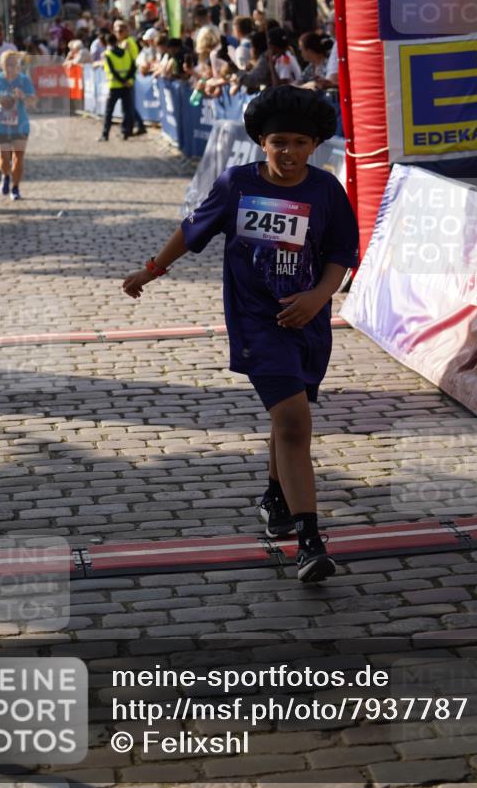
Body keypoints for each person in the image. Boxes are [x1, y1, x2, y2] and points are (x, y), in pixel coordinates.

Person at [122, 86, 358, 583]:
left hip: (308, 325)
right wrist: (151, 270)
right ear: (260, 142)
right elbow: (192, 231)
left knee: (289, 419)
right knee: (293, 421)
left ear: (315, 145)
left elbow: (341, 253)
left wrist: (319, 297)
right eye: (278, 142)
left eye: (299, 142)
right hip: (257, 324)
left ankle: (275, 499)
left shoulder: (326, 190)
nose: (288, 152)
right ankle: (309, 542)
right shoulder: (236, 185)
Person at [0, 50, 37, 200]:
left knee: (18, 158)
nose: (10, 67)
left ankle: (15, 188)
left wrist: (23, 96)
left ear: (18, 66)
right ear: (2, 65)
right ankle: (5, 175)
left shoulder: (24, 80)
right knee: (3, 159)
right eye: (7, 64)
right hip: (0, 125)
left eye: (13, 64)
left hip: (20, 125)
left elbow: (33, 101)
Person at [99, 32, 136, 141]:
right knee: (126, 110)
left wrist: (121, 81)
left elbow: (112, 71)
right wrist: (127, 80)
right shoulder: (126, 53)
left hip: (114, 86)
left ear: (107, 42)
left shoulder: (108, 54)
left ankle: (105, 134)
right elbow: (133, 68)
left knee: (109, 111)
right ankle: (125, 132)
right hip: (126, 86)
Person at [112, 19, 146, 135]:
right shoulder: (123, 42)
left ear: (126, 30)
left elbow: (129, 60)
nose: (118, 33)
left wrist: (127, 78)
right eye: (117, 31)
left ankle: (129, 129)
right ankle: (135, 127)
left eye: (121, 31)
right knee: (128, 105)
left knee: (128, 105)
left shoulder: (128, 42)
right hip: (125, 78)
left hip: (128, 77)